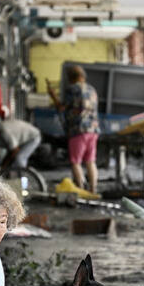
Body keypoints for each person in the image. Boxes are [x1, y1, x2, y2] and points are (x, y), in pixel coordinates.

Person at [47, 65, 100, 193]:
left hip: (78, 130)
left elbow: (61, 108)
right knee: (90, 161)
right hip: (93, 130)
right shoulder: (92, 89)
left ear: (71, 77)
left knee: (75, 162)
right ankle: (93, 190)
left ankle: (81, 190)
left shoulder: (72, 89)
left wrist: (52, 95)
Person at [0, 105, 42, 174]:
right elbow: (11, 151)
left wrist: (3, 167)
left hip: (33, 137)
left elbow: (14, 150)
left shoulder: (4, 132)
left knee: (20, 159)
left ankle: (23, 181)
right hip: (25, 137)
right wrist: (3, 166)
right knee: (14, 159)